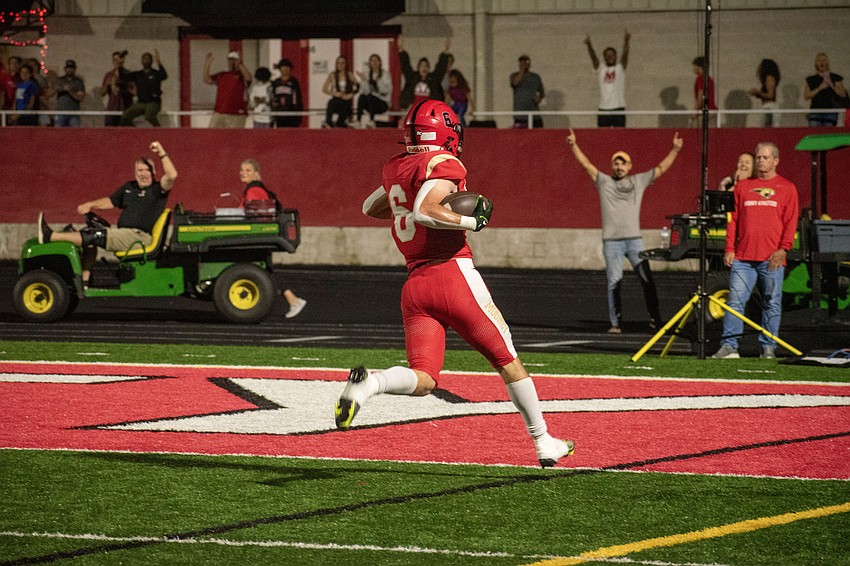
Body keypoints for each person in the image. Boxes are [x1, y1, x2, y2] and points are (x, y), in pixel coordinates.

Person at [334, 100, 575, 469]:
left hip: (416, 286)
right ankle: (544, 442)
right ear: (446, 131)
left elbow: (371, 207)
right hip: (451, 274)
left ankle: (369, 385)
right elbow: (425, 210)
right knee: (508, 361)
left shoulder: (397, 166)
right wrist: (469, 222)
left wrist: (410, 199)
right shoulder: (444, 163)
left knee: (426, 378)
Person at [567, 128, 684, 334]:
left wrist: (675, 149)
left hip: (634, 241)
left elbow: (661, 169)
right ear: (612, 166)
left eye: (623, 163)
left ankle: (656, 320)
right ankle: (615, 323)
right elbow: (587, 166)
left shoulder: (638, 181)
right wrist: (573, 144)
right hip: (612, 242)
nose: (619, 166)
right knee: (614, 282)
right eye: (616, 163)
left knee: (646, 279)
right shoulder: (604, 182)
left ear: (630, 166)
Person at [37, 142, 176, 286]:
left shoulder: (158, 190)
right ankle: (85, 280)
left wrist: (161, 152)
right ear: (135, 173)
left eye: (147, 170)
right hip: (126, 235)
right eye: (140, 170)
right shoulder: (129, 187)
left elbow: (172, 175)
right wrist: (90, 205)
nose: (143, 174)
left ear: (153, 172)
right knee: (89, 236)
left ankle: (51, 236)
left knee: (96, 235)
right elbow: (110, 201)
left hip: (139, 238)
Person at [712, 142, 799, 360]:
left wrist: (783, 250)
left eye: (765, 157)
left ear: (776, 161)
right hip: (743, 258)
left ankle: (768, 347)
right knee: (735, 301)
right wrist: (730, 248)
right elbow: (733, 221)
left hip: (772, 258)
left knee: (772, 301)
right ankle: (730, 346)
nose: (760, 160)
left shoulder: (787, 188)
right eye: (759, 157)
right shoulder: (742, 187)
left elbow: (791, 223)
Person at [237, 159, 307, 319]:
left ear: (256, 173)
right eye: (242, 170)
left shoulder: (253, 190)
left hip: (257, 236)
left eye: (248, 170)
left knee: (262, 271)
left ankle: (292, 300)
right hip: (263, 235)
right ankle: (292, 300)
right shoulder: (256, 188)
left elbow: (253, 214)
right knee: (264, 270)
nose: (243, 173)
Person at [584, 30, 630, 127]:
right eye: (607, 55)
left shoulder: (620, 68)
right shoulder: (601, 68)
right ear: (604, 57)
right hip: (603, 109)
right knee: (603, 139)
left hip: (618, 108)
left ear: (616, 56)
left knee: (620, 137)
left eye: (612, 54)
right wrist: (589, 46)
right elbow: (593, 58)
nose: (610, 57)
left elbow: (625, 55)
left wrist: (626, 41)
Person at [398, 35, 451, 111]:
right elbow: (405, 65)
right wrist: (401, 49)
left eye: (426, 66)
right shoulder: (412, 77)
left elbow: (441, 67)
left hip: (429, 109)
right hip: (413, 108)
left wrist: (446, 51)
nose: (424, 68)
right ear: (418, 68)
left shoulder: (433, 79)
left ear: (428, 68)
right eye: (421, 66)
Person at [204, 51, 251, 128]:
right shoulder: (223, 75)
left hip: (236, 114)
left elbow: (248, 77)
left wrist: (240, 64)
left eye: (233, 60)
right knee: (213, 136)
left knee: (233, 138)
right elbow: (207, 80)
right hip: (219, 112)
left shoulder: (242, 76)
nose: (231, 63)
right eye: (229, 60)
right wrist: (207, 63)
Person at [121, 50, 167, 127]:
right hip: (141, 102)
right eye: (144, 59)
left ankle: (159, 131)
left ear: (151, 61)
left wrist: (159, 63)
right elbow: (123, 77)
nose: (146, 61)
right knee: (125, 117)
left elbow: (164, 76)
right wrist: (120, 65)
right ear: (141, 61)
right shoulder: (138, 74)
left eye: (148, 59)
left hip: (153, 102)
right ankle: (135, 133)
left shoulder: (155, 74)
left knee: (149, 116)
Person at [803, 52, 847, 127]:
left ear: (827, 62)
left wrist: (832, 85)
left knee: (827, 135)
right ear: (816, 63)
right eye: (819, 60)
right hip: (815, 112)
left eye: (824, 60)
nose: (821, 63)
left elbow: (842, 94)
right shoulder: (811, 79)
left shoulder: (835, 77)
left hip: (830, 112)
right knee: (814, 135)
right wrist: (819, 88)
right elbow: (806, 96)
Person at [355, 53, 391, 128]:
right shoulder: (367, 74)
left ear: (380, 62)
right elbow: (364, 91)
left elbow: (385, 91)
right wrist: (364, 80)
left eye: (376, 60)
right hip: (370, 103)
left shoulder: (385, 74)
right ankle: (358, 121)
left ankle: (372, 121)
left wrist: (375, 82)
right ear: (369, 63)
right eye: (372, 61)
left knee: (371, 97)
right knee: (362, 97)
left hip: (382, 103)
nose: (374, 62)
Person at [322, 55, 358, 128]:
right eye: (338, 63)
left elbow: (358, 87)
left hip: (346, 101)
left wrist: (351, 94)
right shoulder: (332, 74)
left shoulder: (349, 74)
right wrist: (334, 93)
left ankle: (340, 123)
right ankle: (328, 122)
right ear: (336, 64)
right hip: (336, 100)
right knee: (331, 102)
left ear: (345, 64)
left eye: (343, 63)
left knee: (344, 105)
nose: (340, 65)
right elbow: (324, 89)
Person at [510, 54, 545, 128]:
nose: (524, 64)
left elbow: (542, 93)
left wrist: (538, 99)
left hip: (534, 114)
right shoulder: (514, 75)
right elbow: (515, 83)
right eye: (522, 62)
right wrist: (522, 70)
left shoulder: (535, 77)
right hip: (520, 115)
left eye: (526, 61)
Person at [100, 50, 132, 127]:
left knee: (125, 135)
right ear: (112, 61)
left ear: (123, 60)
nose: (117, 62)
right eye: (115, 60)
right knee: (109, 134)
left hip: (125, 109)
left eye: (119, 60)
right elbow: (102, 93)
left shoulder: (128, 74)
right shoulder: (109, 75)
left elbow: (134, 92)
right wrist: (107, 84)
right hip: (112, 109)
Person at [270, 58, 303, 128]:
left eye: (287, 67)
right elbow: (273, 97)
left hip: (292, 114)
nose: (285, 69)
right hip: (279, 114)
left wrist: (299, 114)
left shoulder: (294, 82)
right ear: (280, 68)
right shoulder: (276, 82)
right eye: (283, 66)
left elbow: (298, 98)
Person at [749, 59, 781, 127]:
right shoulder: (769, 78)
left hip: (769, 107)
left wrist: (758, 92)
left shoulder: (769, 78)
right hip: (768, 107)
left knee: (767, 129)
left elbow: (770, 95)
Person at [54, 59, 86, 127]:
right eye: (68, 68)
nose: (69, 69)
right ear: (65, 69)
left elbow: (81, 98)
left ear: (75, 69)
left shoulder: (78, 82)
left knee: (74, 135)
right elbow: (49, 94)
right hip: (60, 113)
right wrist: (58, 88)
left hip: (73, 114)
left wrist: (70, 91)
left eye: (71, 68)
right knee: (58, 135)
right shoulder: (59, 80)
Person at [692, 56, 717, 124]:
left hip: (704, 113)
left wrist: (696, 111)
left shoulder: (700, 79)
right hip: (712, 112)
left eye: (695, 66)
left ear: (700, 67)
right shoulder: (709, 79)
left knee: (694, 132)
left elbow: (701, 95)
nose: (693, 68)